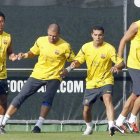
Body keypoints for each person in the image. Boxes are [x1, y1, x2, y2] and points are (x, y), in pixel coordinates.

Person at [0, 23, 75, 134]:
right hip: (37, 74)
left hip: (54, 76)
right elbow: (33, 52)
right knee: (21, 96)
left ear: (59, 34)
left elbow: (75, 61)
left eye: (54, 36)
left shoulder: (65, 46)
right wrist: (24, 55)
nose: (52, 38)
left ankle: (38, 125)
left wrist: (67, 69)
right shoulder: (41, 40)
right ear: (47, 33)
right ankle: (2, 124)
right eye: (50, 35)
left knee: (47, 99)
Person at [61, 26, 125, 136]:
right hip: (91, 83)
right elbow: (77, 61)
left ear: (103, 36)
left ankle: (111, 126)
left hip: (106, 80)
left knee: (107, 99)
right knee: (86, 110)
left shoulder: (109, 48)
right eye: (95, 35)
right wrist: (69, 69)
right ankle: (89, 127)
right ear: (92, 35)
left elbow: (122, 63)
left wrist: (117, 67)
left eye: (100, 35)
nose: (97, 37)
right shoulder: (86, 47)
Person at [115, 20, 140, 133]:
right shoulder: (136, 25)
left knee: (135, 95)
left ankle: (119, 122)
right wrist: (119, 61)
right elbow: (123, 40)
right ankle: (131, 120)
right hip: (135, 65)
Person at [0, 11, 17, 133]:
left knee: (3, 100)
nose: (0, 24)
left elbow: (10, 53)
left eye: (2, 21)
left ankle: (0, 126)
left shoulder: (8, 37)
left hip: (2, 75)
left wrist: (13, 57)